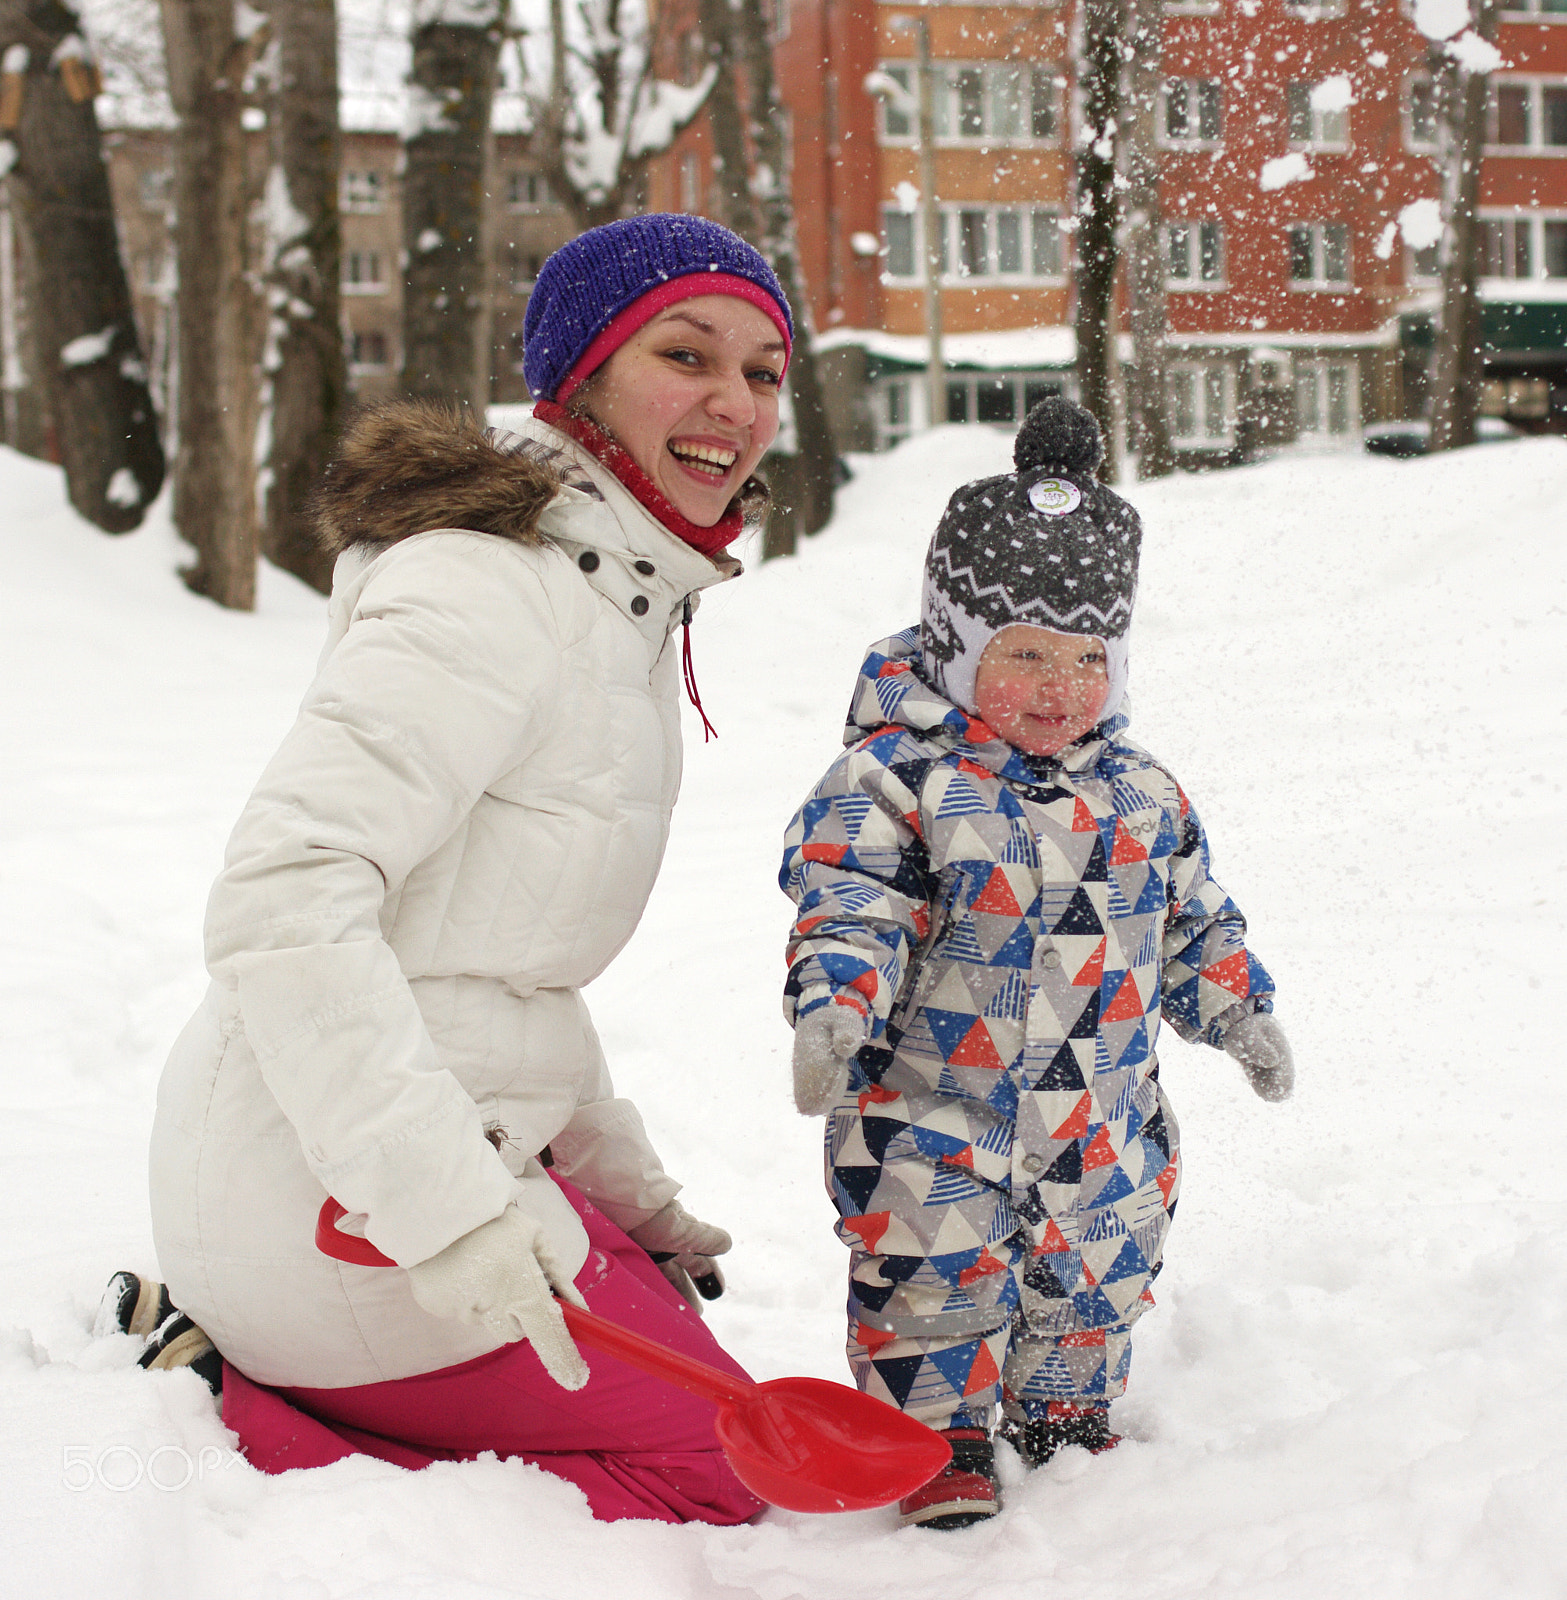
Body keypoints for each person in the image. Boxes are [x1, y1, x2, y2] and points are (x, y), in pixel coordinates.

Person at [103, 214, 793, 1525]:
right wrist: (447, 1217)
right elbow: (282, 897)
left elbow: (503, 971)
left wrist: (627, 1199)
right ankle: (239, 1392)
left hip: (426, 1144)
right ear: (579, 378)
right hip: (328, 1194)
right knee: (717, 1470)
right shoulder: (485, 588)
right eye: (687, 353)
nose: (733, 403)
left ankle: (277, 1342)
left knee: (712, 1381)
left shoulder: (611, 596)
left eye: (762, 370)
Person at [778, 398, 1295, 1530]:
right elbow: (848, 904)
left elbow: (1191, 916)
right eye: (1024, 654)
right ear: (957, 649)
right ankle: (938, 1438)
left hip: (1098, 1114)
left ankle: (1060, 1407)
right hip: (935, 1104)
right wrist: (833, 1009)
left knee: (1096, 1259)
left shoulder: (1141, 791)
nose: (1058, 685)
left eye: (1085, 658)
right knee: (931, 1265)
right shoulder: (893, 785)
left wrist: (1237, 1007)